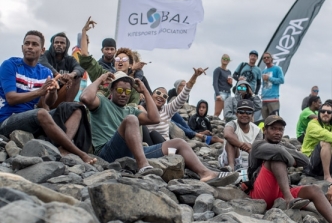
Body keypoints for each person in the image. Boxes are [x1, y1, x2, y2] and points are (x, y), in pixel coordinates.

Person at [80, 70, 238, 184]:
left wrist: (145, 91)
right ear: (112, 90)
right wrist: (101, 78)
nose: (123, 94)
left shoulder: (131, 109)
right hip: (107, 153)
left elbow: (154, 118)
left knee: (179, 143)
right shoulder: (102, 102)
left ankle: (206, 173)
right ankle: (143, 167)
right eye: (120, 90)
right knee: (131, 120)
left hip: (133, 154)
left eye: (127, 91)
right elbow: (85, 97)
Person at [248, 115, 332, 223]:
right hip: (259, 193)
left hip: (279, 190)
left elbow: (305, 161)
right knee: (276, 159)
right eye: (273, 129)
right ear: (265, 130)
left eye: (280, 130)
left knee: (314, 189)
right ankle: (289, 200)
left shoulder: (283, 145)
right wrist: (290, 158)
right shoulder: (258, 145)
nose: (277, 132)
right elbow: (279, 153)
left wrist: (286, 154)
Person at [0, 30, 96, 164]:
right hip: (8, 119)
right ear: (22, 47)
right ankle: (79, 153)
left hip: (32, 118)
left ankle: (63, 148)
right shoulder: (10, 65)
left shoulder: (44, 72)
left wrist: (51, 92)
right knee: (42, 114)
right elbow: (11, 98)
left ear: (42, 50)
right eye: (27, 43)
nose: (29, 47)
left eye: (34, 44)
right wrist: (40, 92)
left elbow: (47, 103)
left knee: (77, 108)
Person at [78, 17, 140, 104]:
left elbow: (134, 108)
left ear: (130, 64)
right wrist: (84, 31)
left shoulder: (134, 86)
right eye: (118, 59)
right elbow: (85, 57)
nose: (120, 61)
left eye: (124, 59)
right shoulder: (103, 75)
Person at [147, 68, 207, 141]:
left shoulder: (167, 110)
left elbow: (184, 93)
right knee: (150, 133)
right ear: (151, 95)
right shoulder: (142, 109)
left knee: (178, 141)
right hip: (148, 146)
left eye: (165, 96)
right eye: (158, 93)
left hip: (163, 146)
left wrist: (195, 76)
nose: (161, 96)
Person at [38, 32, 85, 108]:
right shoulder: (45, 55)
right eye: (56, 42)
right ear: (52, 44)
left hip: (60, 95)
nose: (59, 44)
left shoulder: (70, 59)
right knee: (45, 77)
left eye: (62, 43)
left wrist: (71, 75)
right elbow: (41, 62)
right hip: (44, 95)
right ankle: (46, 112)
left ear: (66, 46)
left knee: (77, 78)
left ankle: (66, 108)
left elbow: (80, 68)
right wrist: (58, 75)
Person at [218, 100, 262, 171]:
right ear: (236, 114)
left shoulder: (257, 130)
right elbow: (227, 135)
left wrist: (251, 148)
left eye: (248, 112)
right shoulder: (232, 124)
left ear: (252, 115)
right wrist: (242, 145)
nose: (244, 115)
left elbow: (258, 148)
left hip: (248, 161)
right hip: (230, 158)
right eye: (241, 112)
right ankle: (230, 167)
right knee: (232, 139)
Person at [260, 52, 284, 120]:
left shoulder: (277, 68)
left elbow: (282, 80)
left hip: (273, 99)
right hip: (264, 100)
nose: (266, 59)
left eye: (268, 57)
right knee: (266, 122)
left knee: (274, 121)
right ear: (263, 60)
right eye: (264, 58)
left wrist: (269, 78)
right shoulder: (263, 71)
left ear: (271, 58)